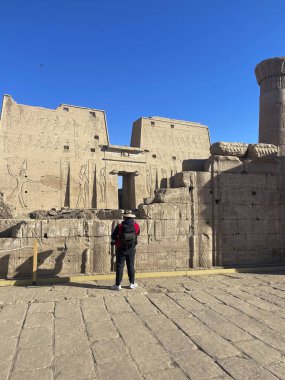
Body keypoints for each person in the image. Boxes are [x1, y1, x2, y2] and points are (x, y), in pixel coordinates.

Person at [111, 210, 140, 290]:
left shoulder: (120, 226)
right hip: (131, 248)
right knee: (131, 266)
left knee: (120, 266)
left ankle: (118, 285)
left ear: (124, 217)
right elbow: (137, 233)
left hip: (121, 248)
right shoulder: (136, 226)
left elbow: (113, 236)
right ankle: (132, 283)